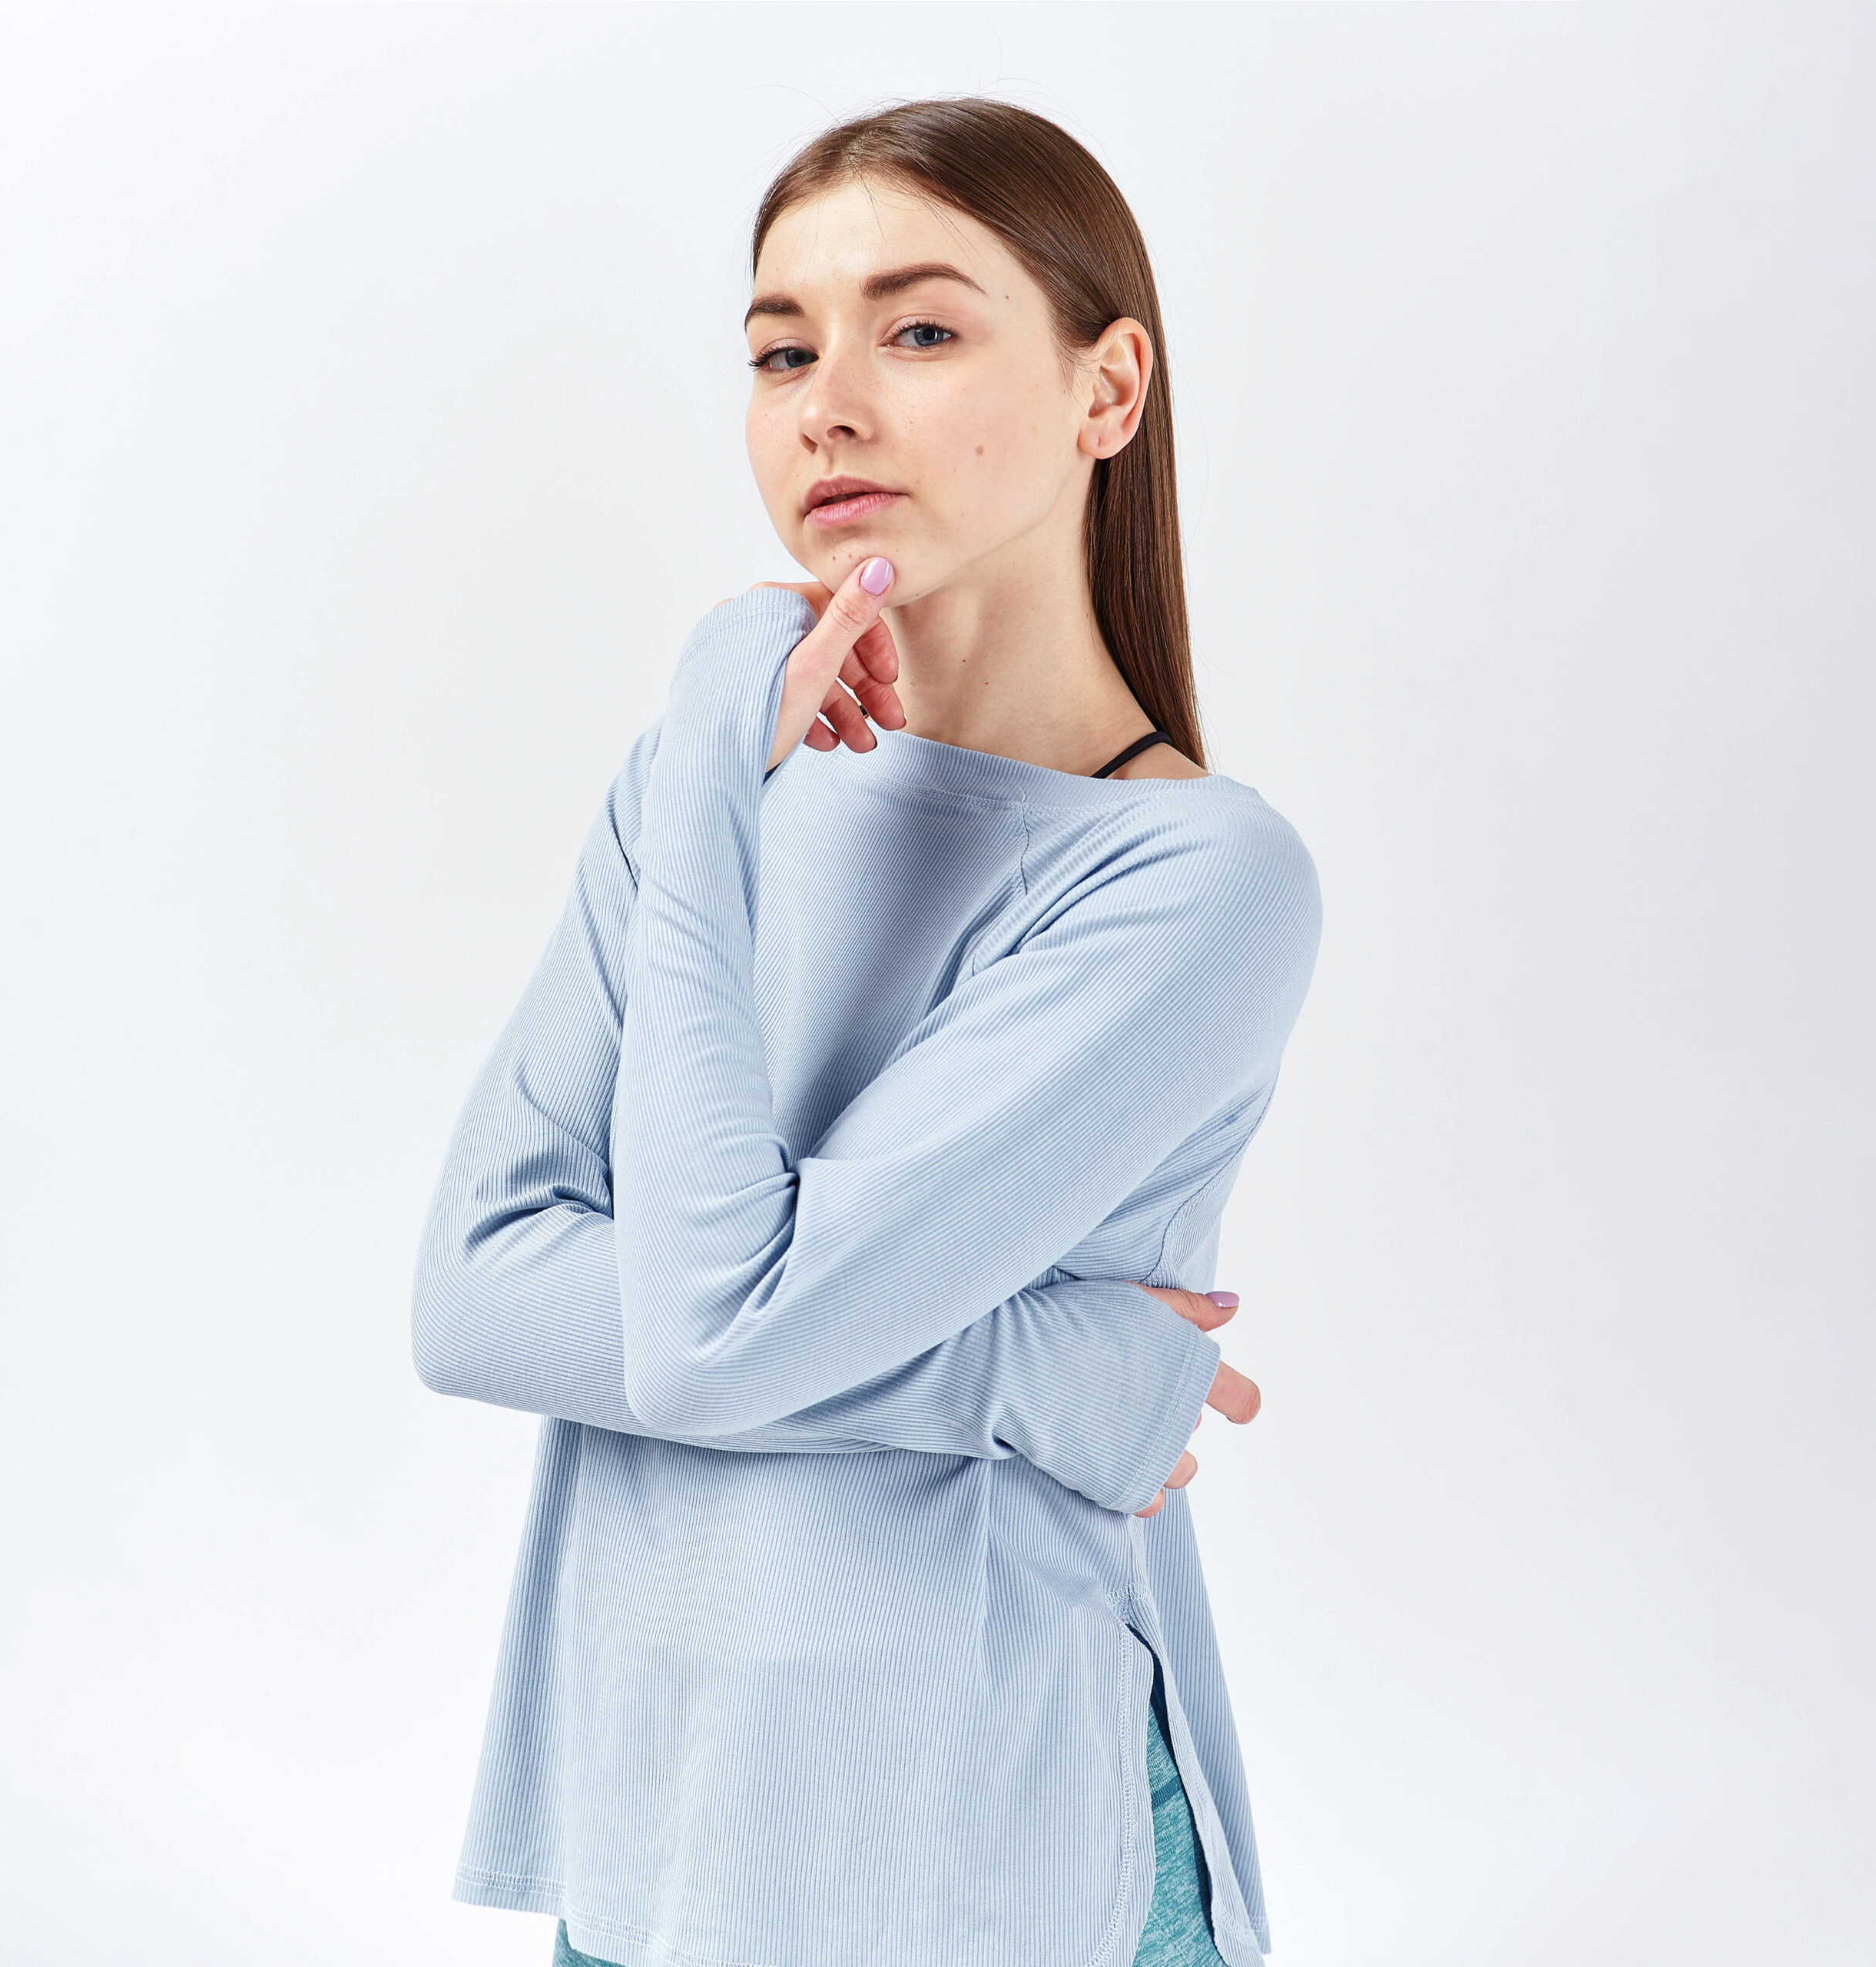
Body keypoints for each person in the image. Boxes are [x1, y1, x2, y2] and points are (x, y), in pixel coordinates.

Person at [413, 97, 1321, 1967]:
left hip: (976, 1866)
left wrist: (702, 773)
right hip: (652, 1848)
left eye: (916, 329)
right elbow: (473, 1289)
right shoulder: (704, 785)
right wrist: (1037, 1370)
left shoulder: (1193, 879)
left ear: (1105, 387)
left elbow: (712, 1335)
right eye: (778, 350)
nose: (826, 403)